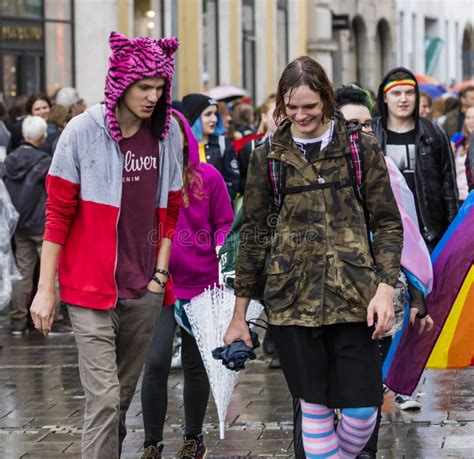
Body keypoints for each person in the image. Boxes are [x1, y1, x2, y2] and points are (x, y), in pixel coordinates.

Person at [224, 56, 403, 459]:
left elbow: (389, 224)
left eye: (310, 106)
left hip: (356, 301)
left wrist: (385, 288)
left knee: (362, 411)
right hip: (291, 306)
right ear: (281, 107)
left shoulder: (359, 147)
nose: (301, 116)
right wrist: (239, 317)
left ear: (326, 98)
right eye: (292, 108)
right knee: (315, 410)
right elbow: (254, 238)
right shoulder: (266, 157)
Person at [30, 32, 182, 458]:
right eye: (144, 87)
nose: (153, 96)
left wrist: (159, 275)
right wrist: (46, 288)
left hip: (142, 290)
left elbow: (171, 210)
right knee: (102, 400)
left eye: (158, 87)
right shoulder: (81, 132)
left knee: (117, 400)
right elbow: (57, 215)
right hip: (89, 289)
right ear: (121, 84)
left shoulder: (167, 135)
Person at [336, 84, 434, 459]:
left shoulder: (387, 168)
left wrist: (418, 295)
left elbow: (408, 233)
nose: (359, 133)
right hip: (335, 293)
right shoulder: (321, 172)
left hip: (384, 292)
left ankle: (365, 451)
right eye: (349, 126)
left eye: (364, 126)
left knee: (369, 382)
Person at [141, 109, 233, 459]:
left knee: (196, 365)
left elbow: (225, 221)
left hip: (203, 287)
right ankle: (151, 442)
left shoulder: (208, 177)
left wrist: (221, 245)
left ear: (184, 137)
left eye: (172, 133)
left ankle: (193, 439)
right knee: (157, 361)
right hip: (159, 286)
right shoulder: (146, 180)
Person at [372, 67, 458, 252]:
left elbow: (448, 187)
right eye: (396, 93)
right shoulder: (372, 133)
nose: (403, 99)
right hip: (385, 234)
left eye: (409, 93)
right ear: (385, 97)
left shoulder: (433, 132)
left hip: (428, 234)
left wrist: (451, 237)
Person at [1, 116, 52, 335]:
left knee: (22, 273)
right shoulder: (44, 161)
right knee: (51, 273)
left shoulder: (8, 161)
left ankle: (18, 322)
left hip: (19, 225)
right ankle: (52, 320)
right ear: (41, 138)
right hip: (41, 225)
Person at [182, 94, 240, 201]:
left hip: (216, 212)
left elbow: (233, 182)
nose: (214, 119)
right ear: (193, 118)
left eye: (215, 114)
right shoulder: (180, 146)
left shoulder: (223, 144)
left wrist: (217, 204)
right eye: (208, 114)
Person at [451, 106, 474, 204]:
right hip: (458, 197)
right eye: (468, 117)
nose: (471, 121)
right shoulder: (459, 141)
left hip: (470, 197)